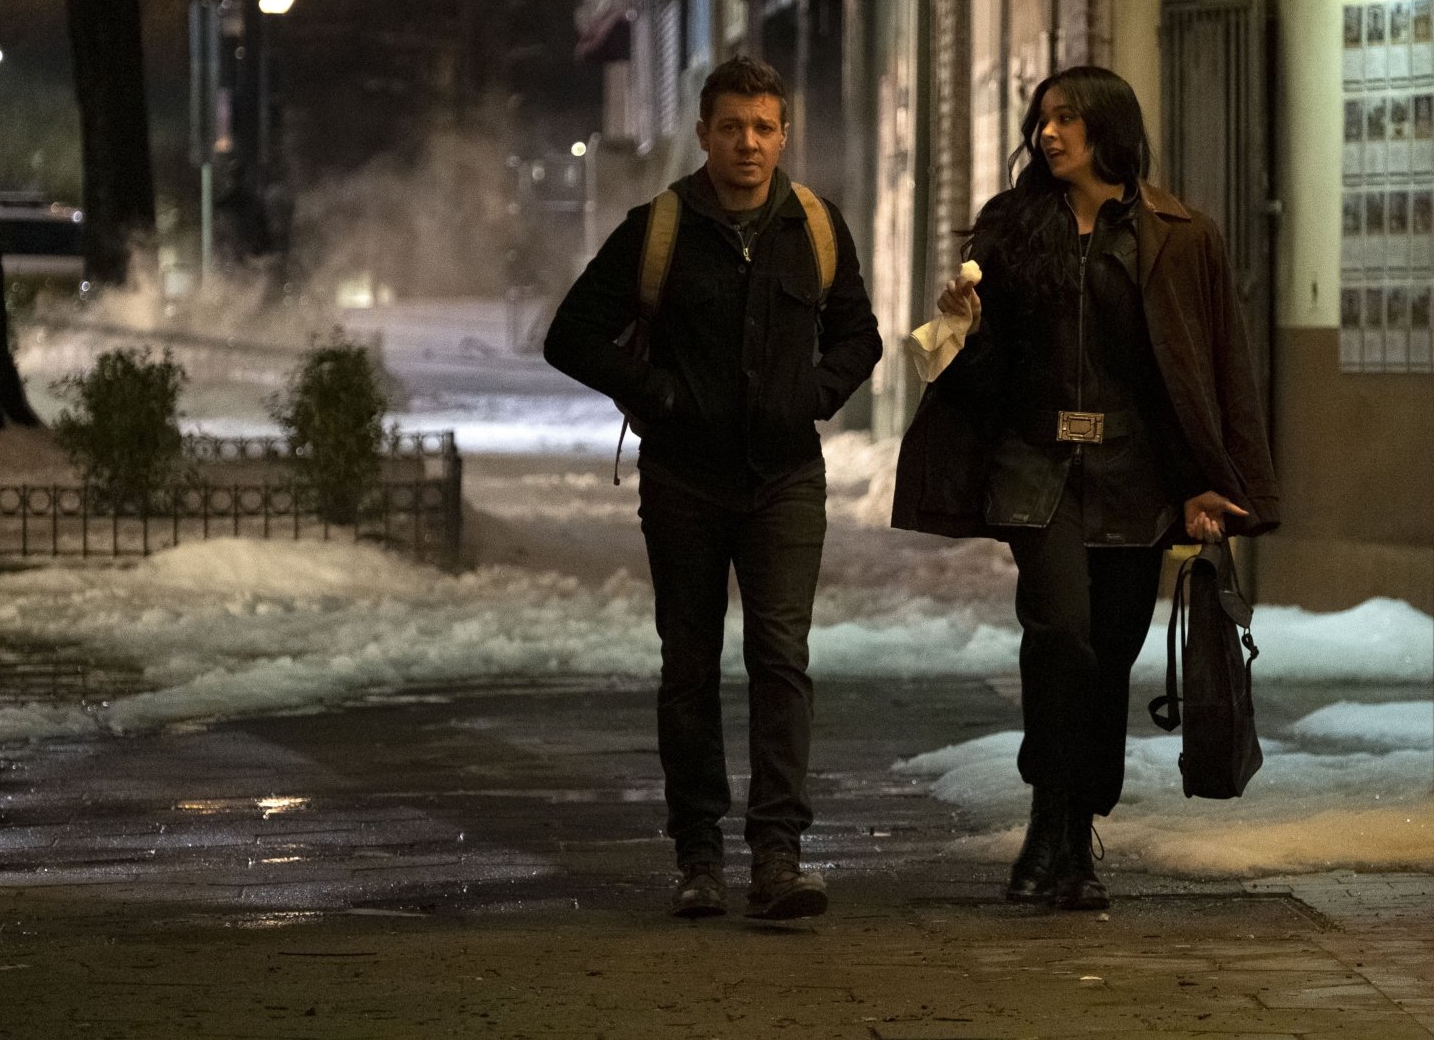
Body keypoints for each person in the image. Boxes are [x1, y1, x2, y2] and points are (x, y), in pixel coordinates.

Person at [892, 65, 1279, 911]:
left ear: (1110, 128)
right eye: (1043, 119)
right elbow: (973, 375)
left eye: (1066, 117)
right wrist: (962, 319)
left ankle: (1073, 834)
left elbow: (1212, 370)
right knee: (1061, 631)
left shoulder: (1179, 236)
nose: (1049, 133)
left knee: (1109, 660)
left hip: (1134, 477)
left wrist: (1214, 482)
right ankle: (1047, 818)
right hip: (1039, 471)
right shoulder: (1010, 225)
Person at [544, 55, 880, 921]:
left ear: (783, 132)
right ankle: (698, 856)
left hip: (785, 480)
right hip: (686, 480)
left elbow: (860, 336)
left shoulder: (813, 223)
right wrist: (653, 392)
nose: (748, 143)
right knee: (689, 666)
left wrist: (814, 393)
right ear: (703, 134)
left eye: (764, 126)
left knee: (780, 659)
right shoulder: (658, 228)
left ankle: (778, 854)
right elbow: (571, 334)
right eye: (731, 126)